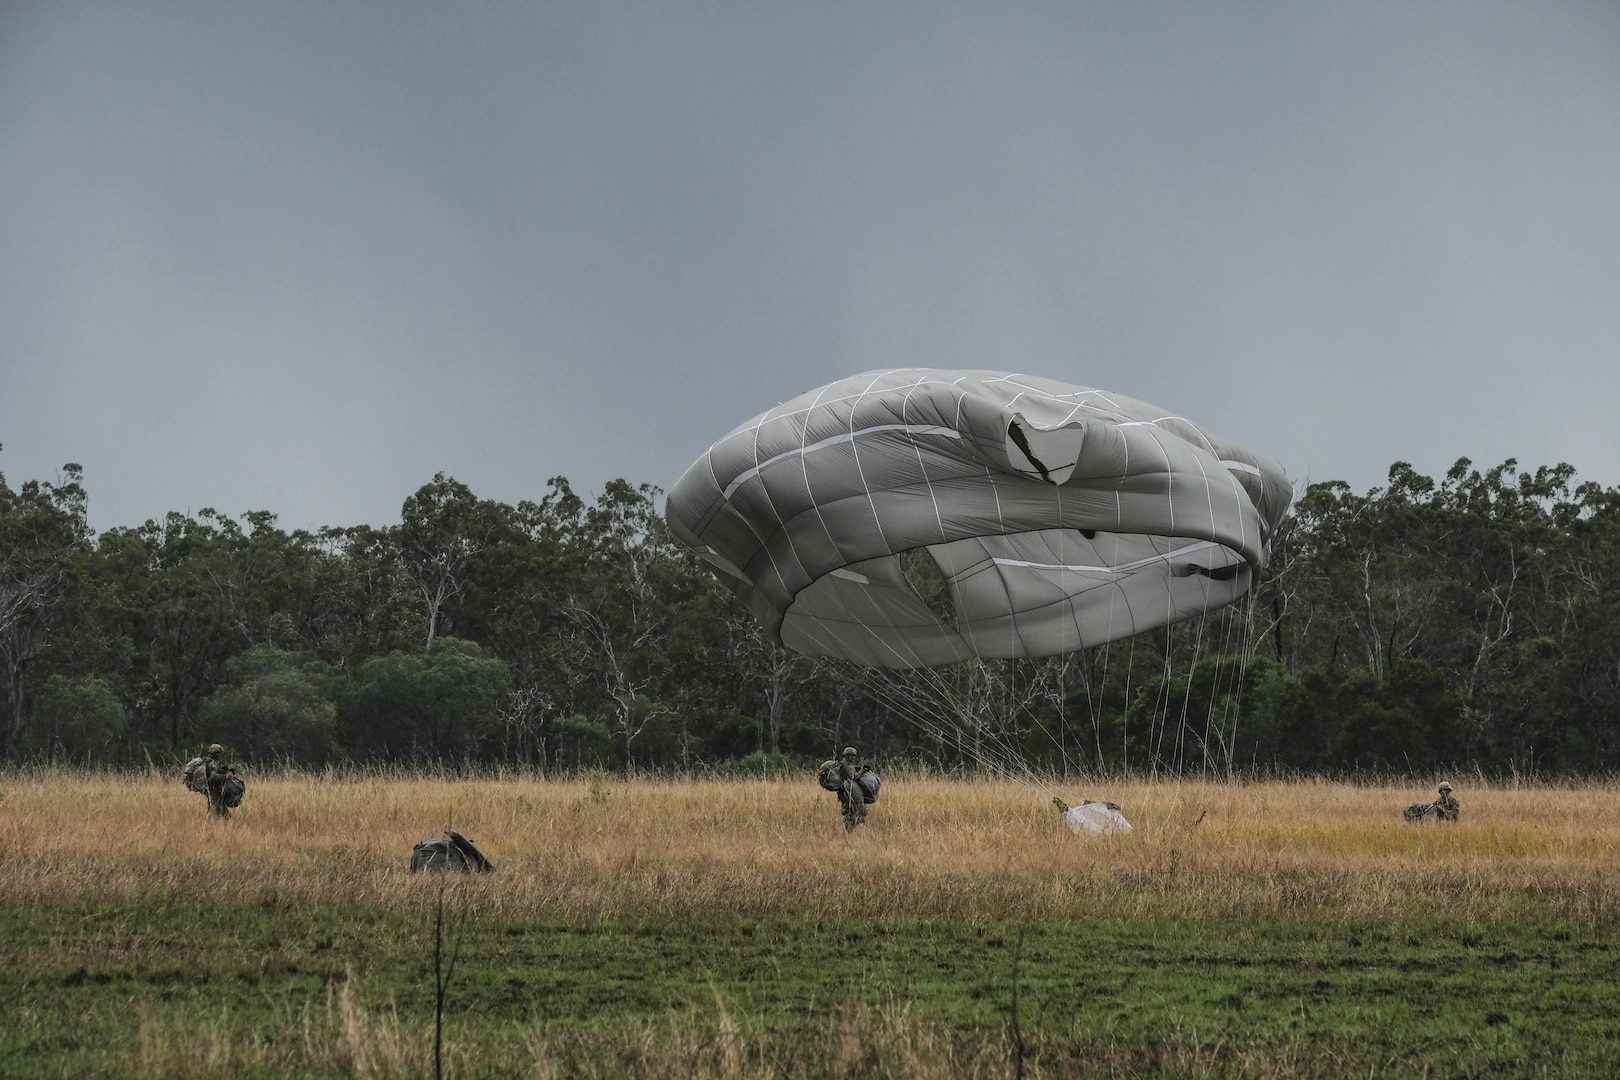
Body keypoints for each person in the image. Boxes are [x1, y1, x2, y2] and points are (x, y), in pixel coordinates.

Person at [818, 746, 874, 831]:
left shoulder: (842, 763)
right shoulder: (848, 765)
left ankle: (849, 830)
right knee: (854, 811)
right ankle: (850, 829)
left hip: (843, 793)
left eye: (854, 756)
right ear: (847, 756)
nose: (853, 757)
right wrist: (863, 770)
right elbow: (854, 776)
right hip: (848, 792)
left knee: (848, 811)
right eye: (852, 755)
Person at [203, 743, 234, 819]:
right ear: (214, 753)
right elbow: (213, 776)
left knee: (222, 811)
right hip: (213, 789)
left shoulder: (209, 762)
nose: (220, 755)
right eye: (218, 753)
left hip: (214, 789)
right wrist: (226, 776)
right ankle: (209, 824)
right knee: (214, 810)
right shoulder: (212, 764)